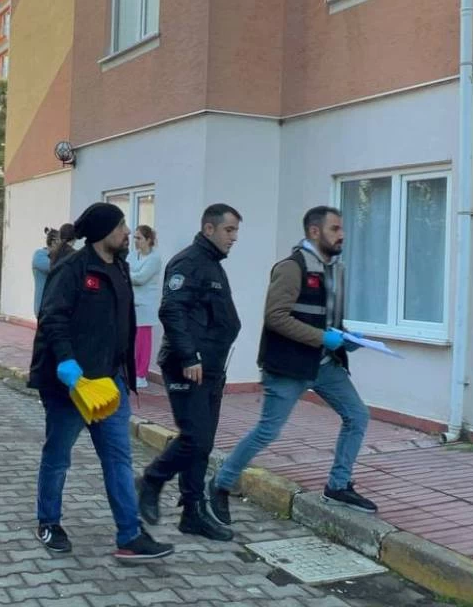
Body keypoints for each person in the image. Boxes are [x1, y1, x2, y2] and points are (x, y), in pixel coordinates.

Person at [208, 206, 376, 528]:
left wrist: (347, 337)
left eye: (342, 229)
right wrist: (323, 338)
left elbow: (328, 319)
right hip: (288, 367)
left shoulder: (336, 270)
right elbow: (276, 317)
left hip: (325, 365)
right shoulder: (291, 268)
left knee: (357, 416)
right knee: (268, 431)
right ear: (314, 231)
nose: (342, 235)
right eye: (335, 229)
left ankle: (338, 486)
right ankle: (220, 484)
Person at [30, 202, 173, 561]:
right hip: (72, 386)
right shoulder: (72, 269)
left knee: (118, 459)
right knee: (58, 456)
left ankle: (130, 535)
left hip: (109, 384)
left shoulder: (120, 267)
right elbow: (52, 317)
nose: (128, 232)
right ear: (103, 232)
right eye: (122, 226)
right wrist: (66, 361)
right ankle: (49, 522)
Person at [136, 206, 242, 542]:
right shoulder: (188, 262)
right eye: (229, 230)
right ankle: (151, 480)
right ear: (209, 229)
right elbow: (171, 310)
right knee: (194, 437)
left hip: (211, 367)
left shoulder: (211, 263)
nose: (234, 238)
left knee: (203, 443)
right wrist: (189, 355)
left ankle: (192, 513)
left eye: (236, 231)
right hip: (188, 365)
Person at [127, 225, 162, 388]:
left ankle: (141, 375)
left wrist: (128, 274)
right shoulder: (133, 255)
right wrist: (131, 274)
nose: (135, 241)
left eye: (139, 238)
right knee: (131, 341)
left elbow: (141, 279)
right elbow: (126, 271)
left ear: (148, 240)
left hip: (146, 306)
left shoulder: (155, 259)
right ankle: (131, 371)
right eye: (135, 237)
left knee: (143, 342)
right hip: (131, 303)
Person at [32, 228, 60, 316]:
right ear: (53, 242)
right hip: (43, 308)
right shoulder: (40, 255)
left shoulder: (56, 257)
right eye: (61, 243)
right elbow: (55, 267)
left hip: (52, 307)